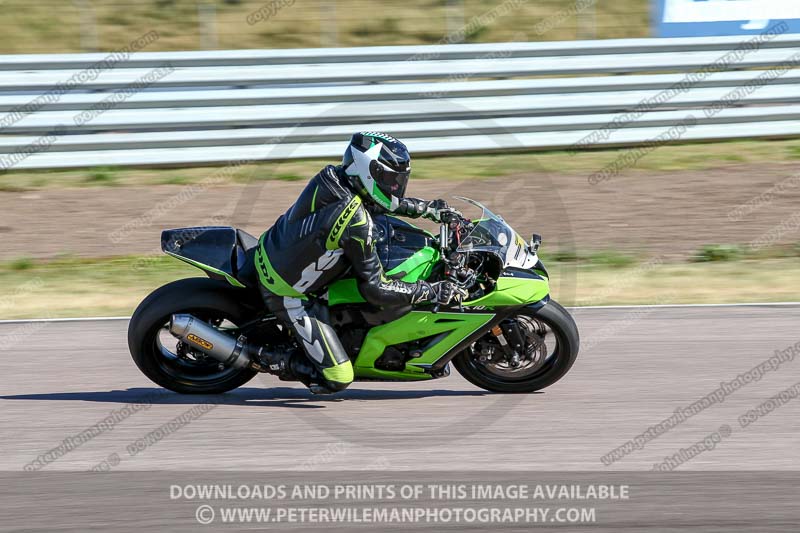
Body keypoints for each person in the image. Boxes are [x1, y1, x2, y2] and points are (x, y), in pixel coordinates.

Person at [255, 132, 467, 394]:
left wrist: (427, 210)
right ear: (369, 172)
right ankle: (267, 357)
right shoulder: (354, 221)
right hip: (289, 291)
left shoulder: (336, 177)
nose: (395, 186)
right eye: (390, 179)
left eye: (398, 180)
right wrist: (429, 291)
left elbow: (379, 202)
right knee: (339, 377)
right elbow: (376, 289)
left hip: (280, 249)